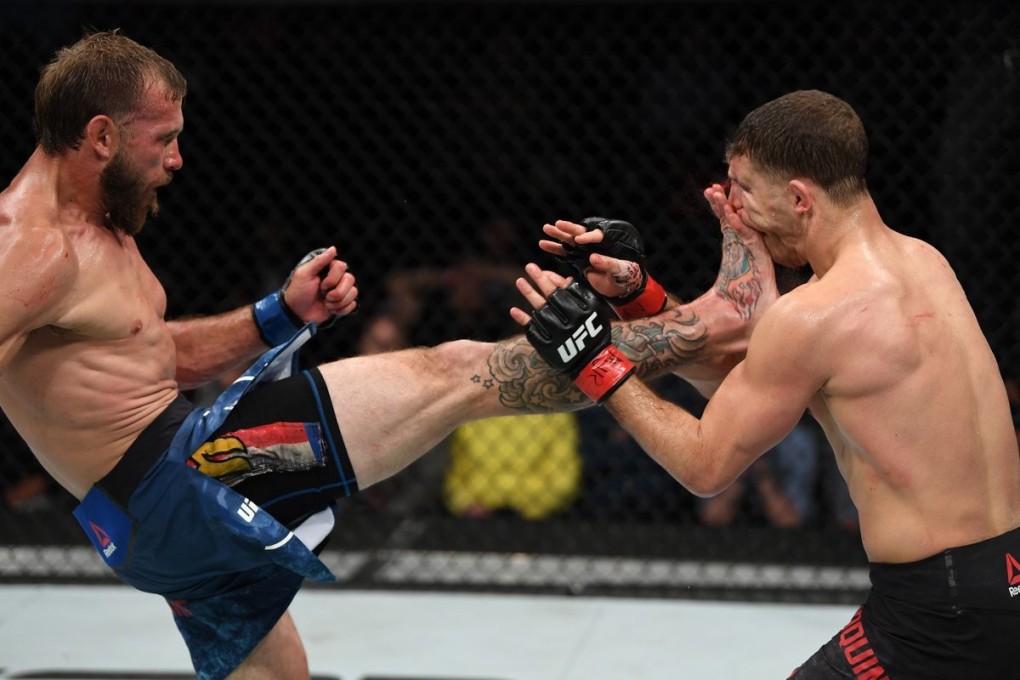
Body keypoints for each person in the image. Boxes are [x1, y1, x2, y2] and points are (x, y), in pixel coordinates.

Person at [0, 31, 775, 679]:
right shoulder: (35, 250)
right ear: (100, 135)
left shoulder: (89, 229)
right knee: (456, 373)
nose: (176, 158)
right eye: (162, 138)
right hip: (183, 479)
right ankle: (708, 323)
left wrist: (276, 316)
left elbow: (149, 353)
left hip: (148, 523)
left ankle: (703, 328)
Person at [513, 90, 1020, 678]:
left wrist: (590, 359)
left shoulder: (816, 316)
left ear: (800, 198)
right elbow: (748, 392)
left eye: (744, 190)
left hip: (939, 613)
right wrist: (638, 296)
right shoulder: (925, 262)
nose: (736, 212)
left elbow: (706, 463)